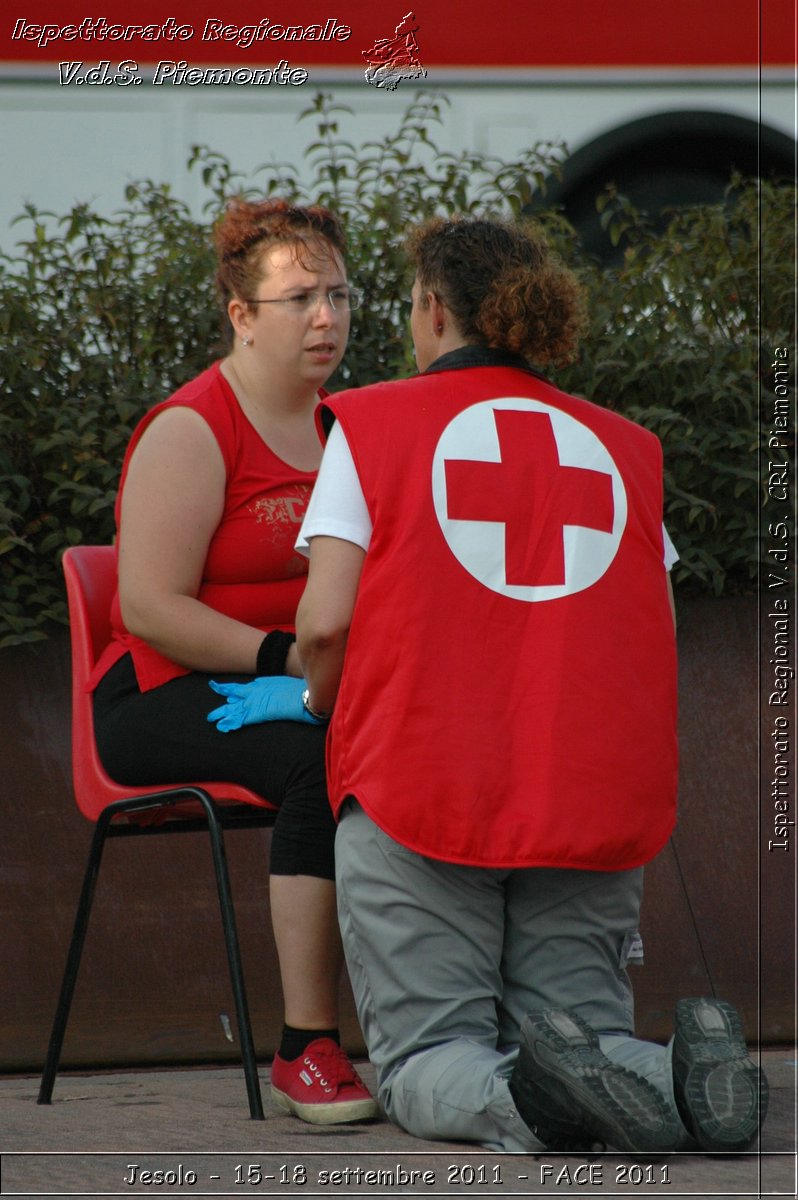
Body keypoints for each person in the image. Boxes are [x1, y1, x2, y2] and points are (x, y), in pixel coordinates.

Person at [209, 214, 768, 1155]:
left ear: (433, 310)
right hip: (587, 800)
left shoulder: (375, 425)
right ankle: (673, 1076)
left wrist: (314, 702)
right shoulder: (621, 446)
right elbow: (654, 629)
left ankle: (543, 1108)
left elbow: (326, 623)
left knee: (432, 1058)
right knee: (584, 1037)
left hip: (423, 787)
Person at [89, 197, 378, 1125]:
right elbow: (147, 608)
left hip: (305, 678)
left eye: (339, 294)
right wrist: (284, 662)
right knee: (315, 760)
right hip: (166, 694)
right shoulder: (193, 427)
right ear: (241, 315)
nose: (326, 318)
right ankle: (307, 1048)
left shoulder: (353, 429)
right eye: (298, 299)